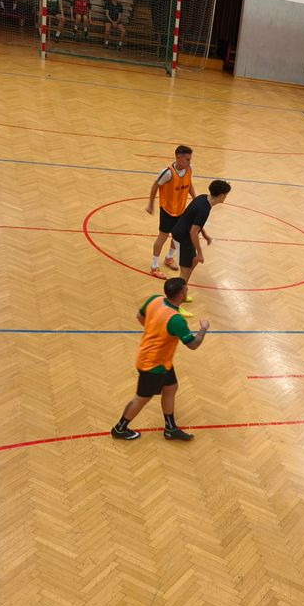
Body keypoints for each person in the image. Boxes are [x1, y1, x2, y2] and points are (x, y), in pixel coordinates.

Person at [111, 277, 209, 441]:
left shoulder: (155, 299)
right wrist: (203, 328)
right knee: (142, 398)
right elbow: (193, 345)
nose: (187, 292)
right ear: (179, 295)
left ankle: (170, 428)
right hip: (153, 365)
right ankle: (119, 428)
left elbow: (140, 317)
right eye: (185, 290)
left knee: (171, 387)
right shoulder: (176, 320)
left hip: (160, 360)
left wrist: (155, 332)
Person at [170, 180, 231, 317]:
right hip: (183, 237)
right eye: (226, 194)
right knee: (184, 272)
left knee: (192, 263)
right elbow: (193, 231)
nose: (226, 197)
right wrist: (200, 253)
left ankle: (183, 292)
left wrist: (204, 234)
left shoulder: (203, 199)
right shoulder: (204, 209)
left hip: (184, 234)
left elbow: (195, 222)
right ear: (221, 195)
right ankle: (175, 305)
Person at [146, 145, 195, 277]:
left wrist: (195, 199)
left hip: (181, 210)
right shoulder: (167, 172)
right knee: (162, 237)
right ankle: (154, 266)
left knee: (177, 236)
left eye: (190, 159)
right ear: (178, 158)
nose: (189, 162)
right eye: (187, 159)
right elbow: (155, 185)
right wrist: (150, 204)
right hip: (167, 210)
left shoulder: (189, 169)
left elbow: (189, 184)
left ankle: (169, 258)